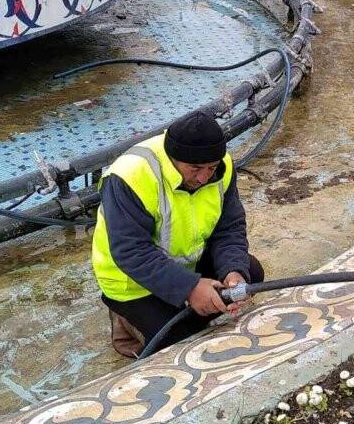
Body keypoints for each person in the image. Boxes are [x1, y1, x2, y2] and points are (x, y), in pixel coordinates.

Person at [91, 111, 265, 357]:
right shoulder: (130, 176)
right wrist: (190, 288)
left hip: (185, 262)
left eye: (211, 168)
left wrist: (233, 271)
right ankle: (125, 321)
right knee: (179, 340)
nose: (205, 177)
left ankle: (191, 303)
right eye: (195, 168)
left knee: (250, 274)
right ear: (172, 158)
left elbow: (229, 227)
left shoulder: (220, 165)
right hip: (133, 281)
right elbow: (131, 252)